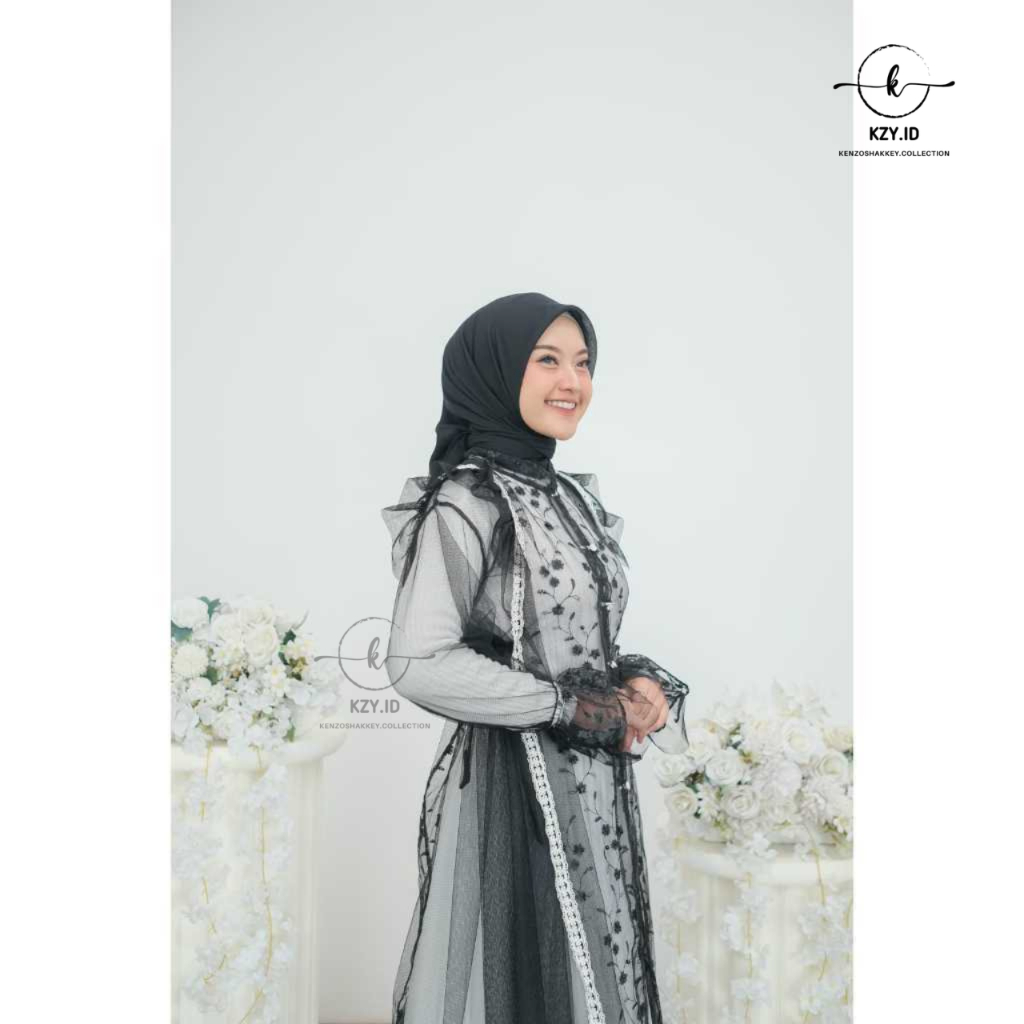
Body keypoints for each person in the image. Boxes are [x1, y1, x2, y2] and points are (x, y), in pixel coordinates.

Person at [381, 292, 690, 1024]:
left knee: (596, 975)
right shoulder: (469, 501)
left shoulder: (571, 498)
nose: (572, 382)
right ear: (494, 371)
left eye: (583, 363)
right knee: (533, 981)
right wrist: (565, 706)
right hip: (515, 785)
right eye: (546, 360)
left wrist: (634, 679)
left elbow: (570, 635)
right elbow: (418, 658)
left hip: (595, 781)